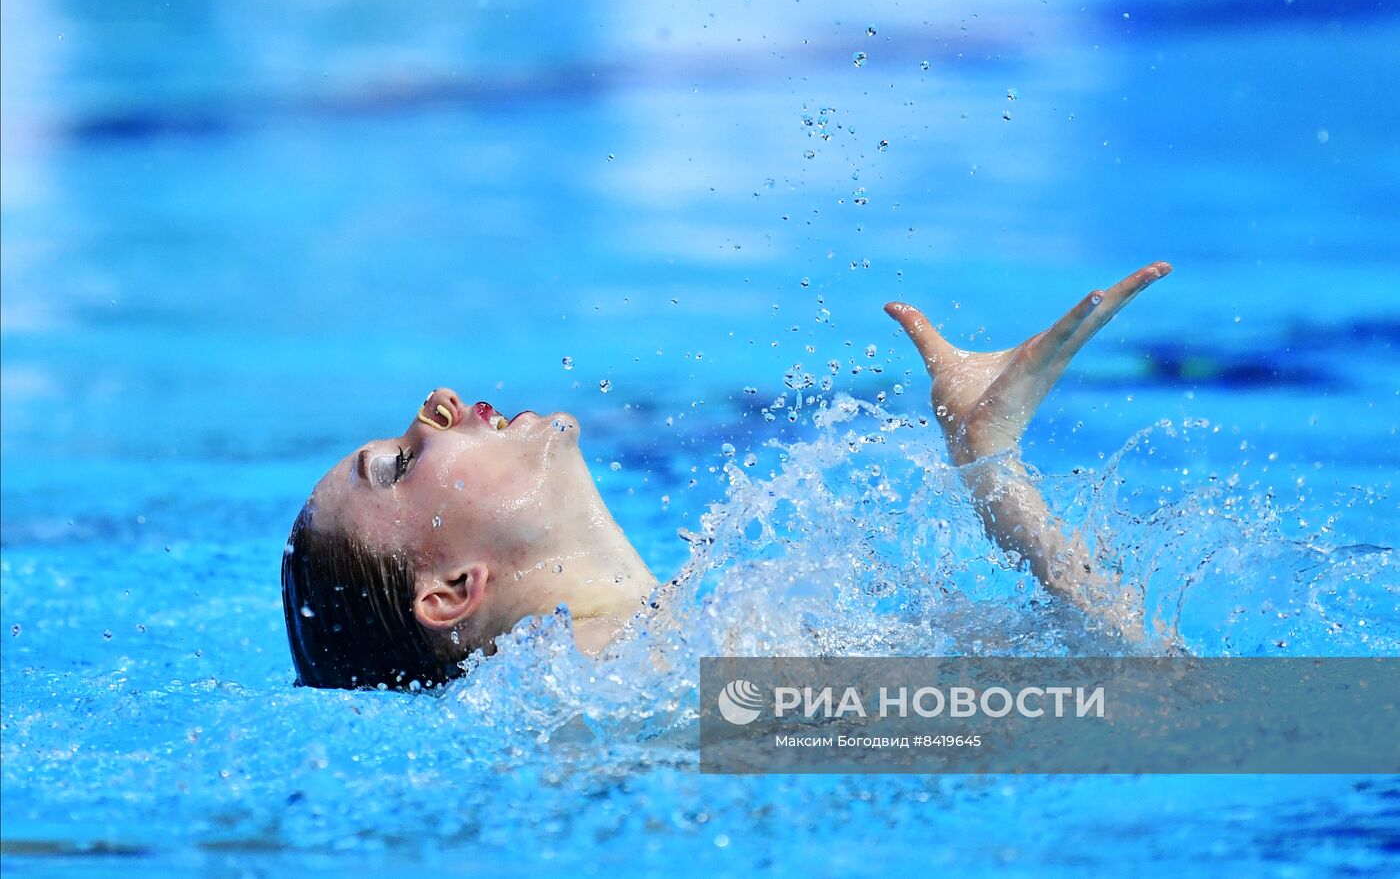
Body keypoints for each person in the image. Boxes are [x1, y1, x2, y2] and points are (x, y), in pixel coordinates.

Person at [282, 262, 1173, 689]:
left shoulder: (700, 636)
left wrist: (990, 469)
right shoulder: (620, 687)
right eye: (398, 465)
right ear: (449, 591)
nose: (434, 402)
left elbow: (1131, 679)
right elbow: (1154, 693)